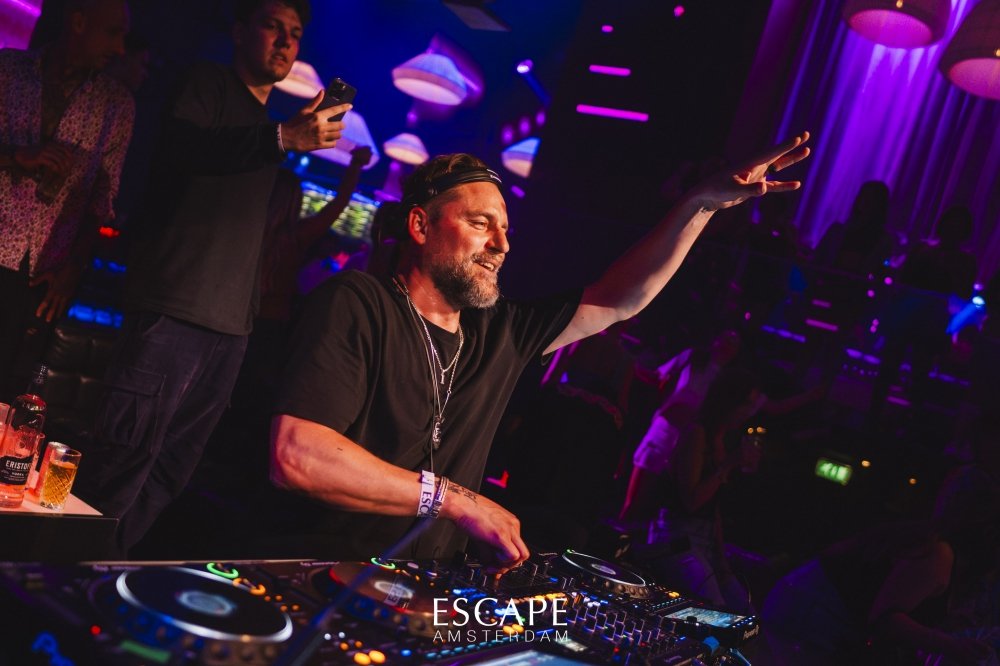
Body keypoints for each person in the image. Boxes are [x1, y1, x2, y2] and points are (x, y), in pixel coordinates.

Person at [268, 131, 812, 565]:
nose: (502, 243)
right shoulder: (358, 302)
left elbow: (620, 299)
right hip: (324, 571)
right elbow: (297, 456)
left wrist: (701, 206)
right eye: (481, 224)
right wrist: (454, 499)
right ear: (420, 225)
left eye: (505, 229)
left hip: (426, 589)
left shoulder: (499, 329)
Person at [79, 0, 350, 555]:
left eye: (295, 33)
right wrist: (281, 139)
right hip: (175, 309)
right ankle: (55, 578)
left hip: (230, 328)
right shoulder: (207, 84)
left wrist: (281, 137)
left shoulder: (267, 124)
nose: (285, 41)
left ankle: (101, 569)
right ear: (239, 31)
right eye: (273, 26)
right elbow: (184, 150)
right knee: (120, 463)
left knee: (170, 473)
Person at [0, 0, 134, 398]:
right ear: (78, 23)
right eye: (112, 33)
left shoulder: (116, 105)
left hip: (43, 272)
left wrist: (72, 269)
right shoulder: (8, 70)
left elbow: (102, 200)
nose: (120, 48)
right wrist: (17, 156)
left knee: (12, 387)